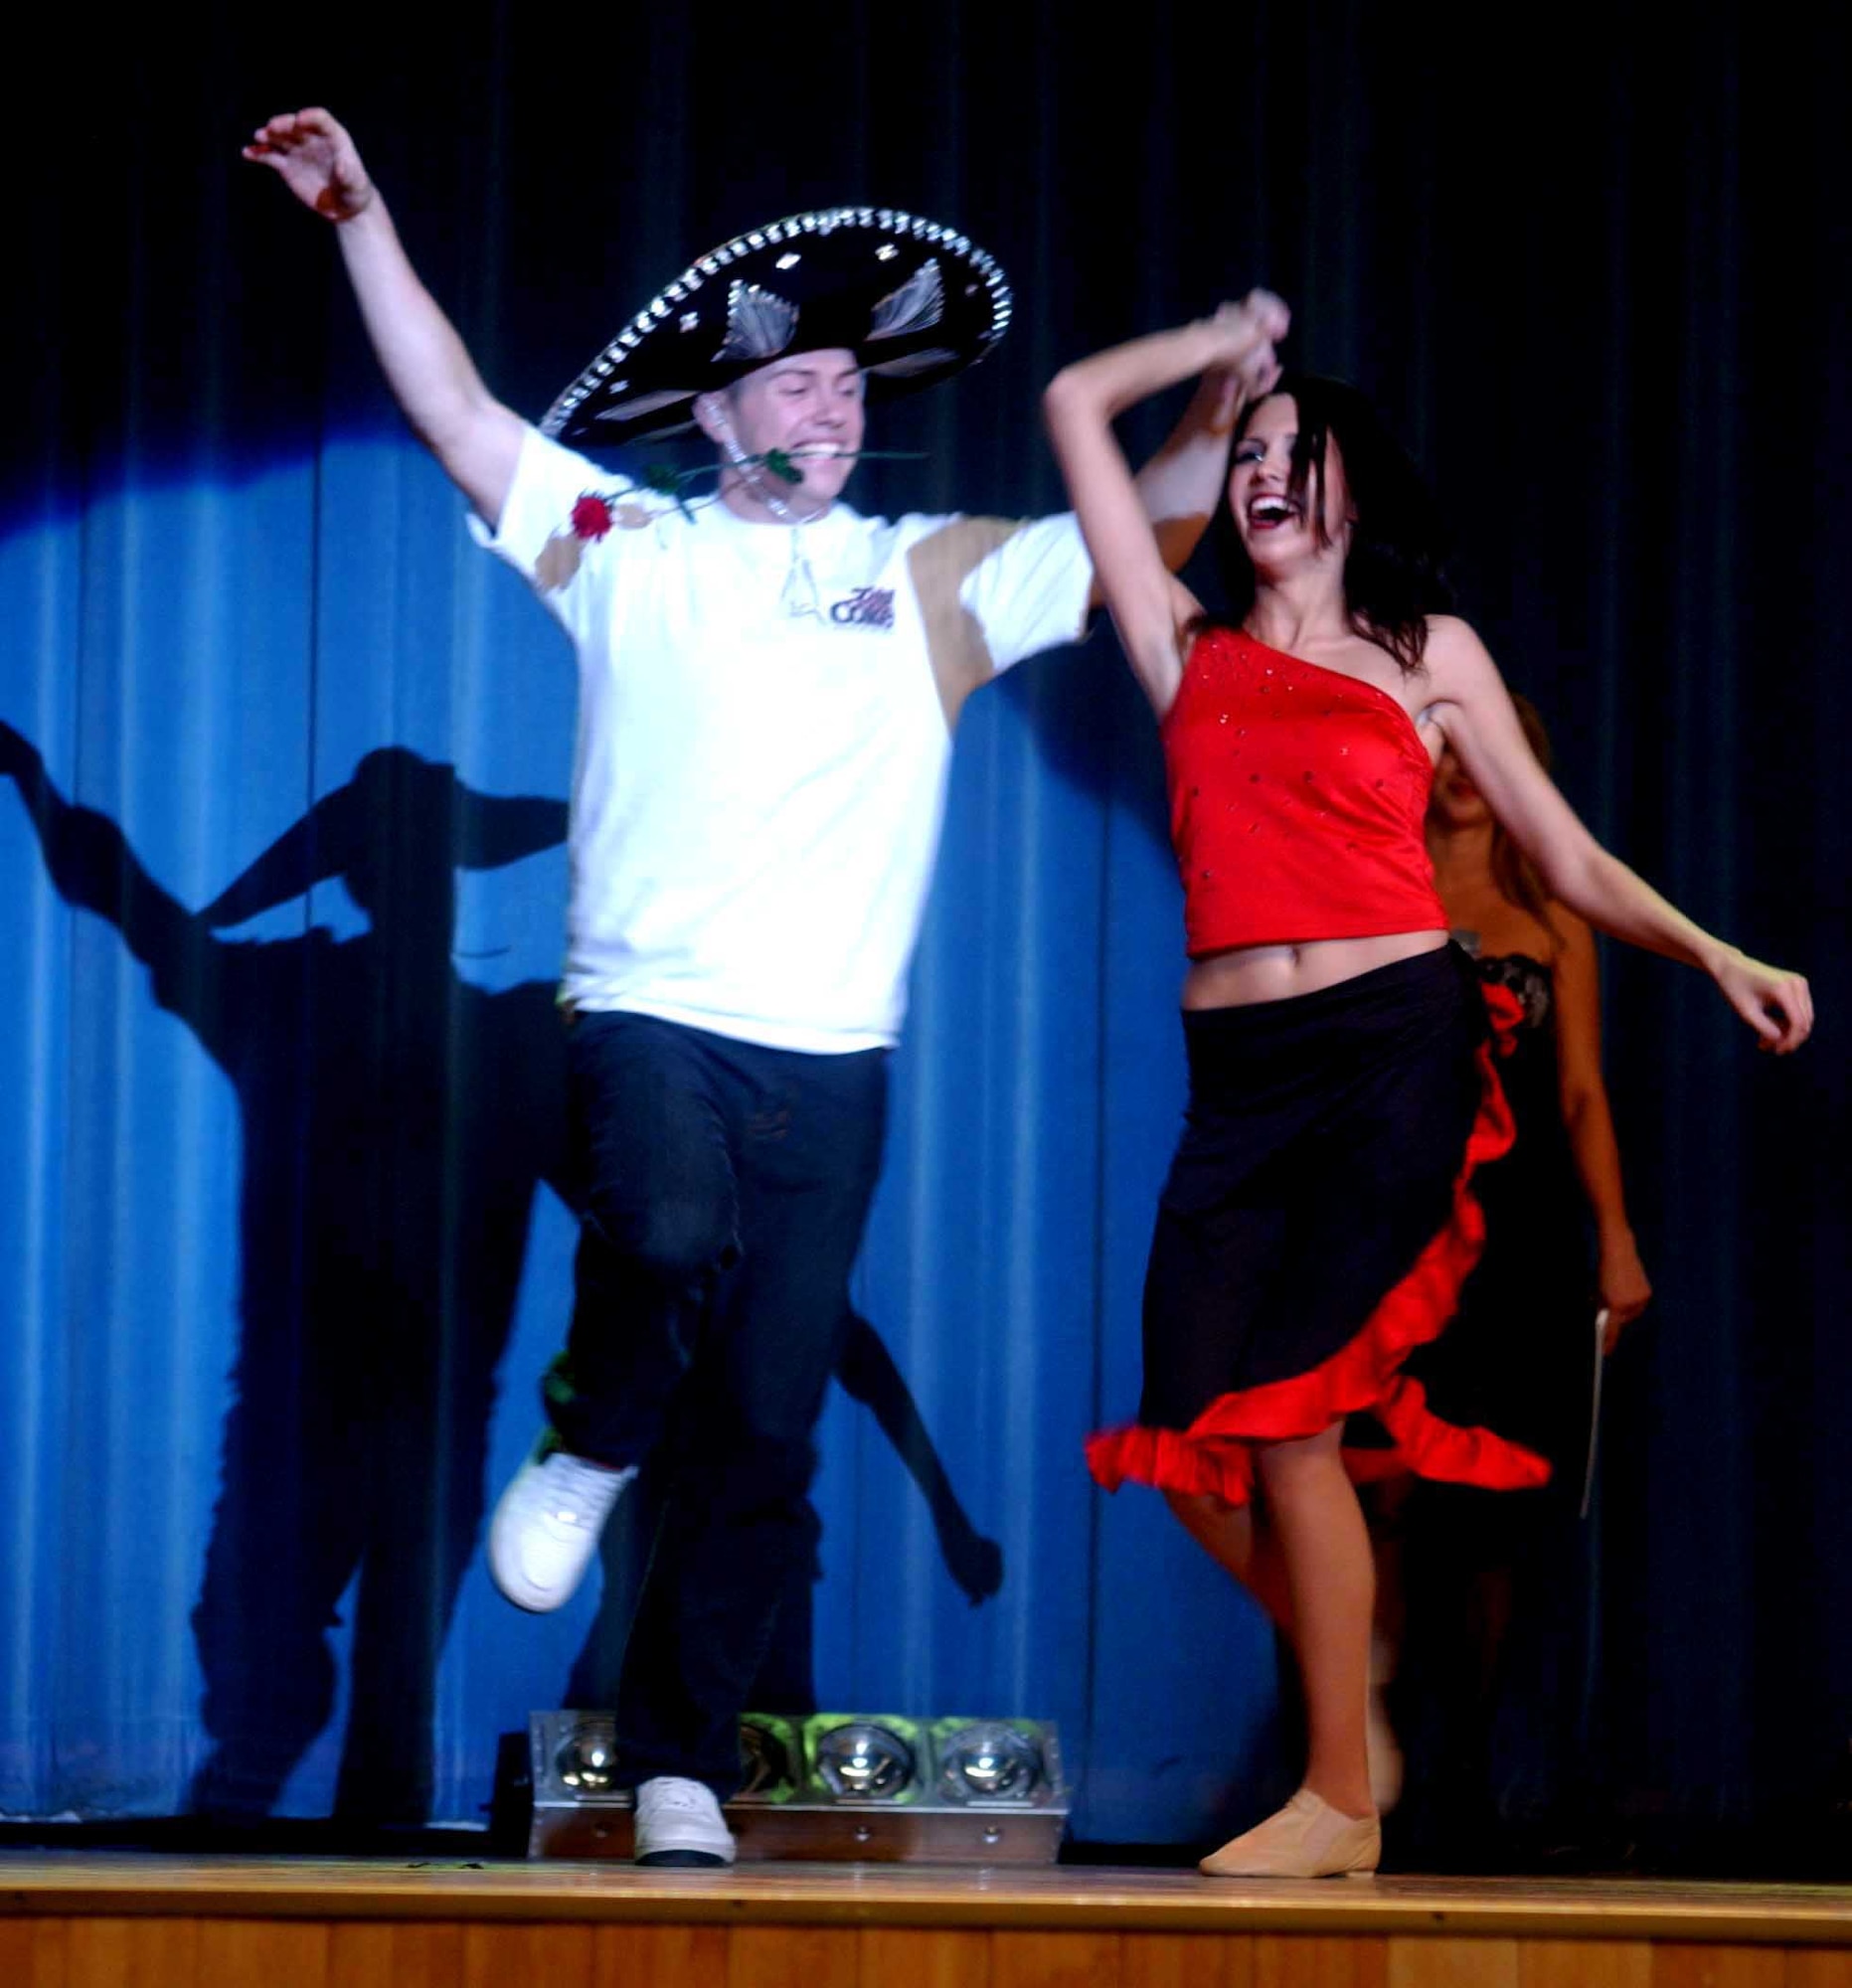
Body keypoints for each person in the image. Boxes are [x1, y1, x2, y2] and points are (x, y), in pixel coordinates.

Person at [245, 107, 1254, 1866]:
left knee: (768, 1429)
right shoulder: (622, 542)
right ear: (713, 413)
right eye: (793, 383)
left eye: (852, 385)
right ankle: (584, 1442)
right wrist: (359, 215)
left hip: (834, 1061)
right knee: (656, 1229)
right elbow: (453, 408)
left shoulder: (926, 572)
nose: (831, 401)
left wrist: (1219, 402)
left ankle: (679, 1763)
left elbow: (1137, 535)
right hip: (647, 1017)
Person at [1043, 300, 1811, 1878]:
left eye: (1293, 458)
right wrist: (1206, 351)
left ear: (1349, 495)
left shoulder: (1423, 653)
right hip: (1236, 1081)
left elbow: (1565, 858)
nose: (1262, 477)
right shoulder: (1175, 642)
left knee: (1296, 1416)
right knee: (1197, 1421)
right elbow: (1066, 402)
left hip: (1393, 1047)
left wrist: (1713, 952)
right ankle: (1354, 1686)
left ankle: (1337, 1793)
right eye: (1248, 457)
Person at [1371, 701, 1650, 1854]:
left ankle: (1467, 1775)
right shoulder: (1375, 895)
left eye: (1477, 749)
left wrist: (1618, 1238)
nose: (1456, 772)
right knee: (1382, 1500)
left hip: (1519, 1239)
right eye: (1435, 748)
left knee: (1491, 1519)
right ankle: (1365, 1767)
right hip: (1393, 1240)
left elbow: (1580, 1092)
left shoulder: (1553, 920)